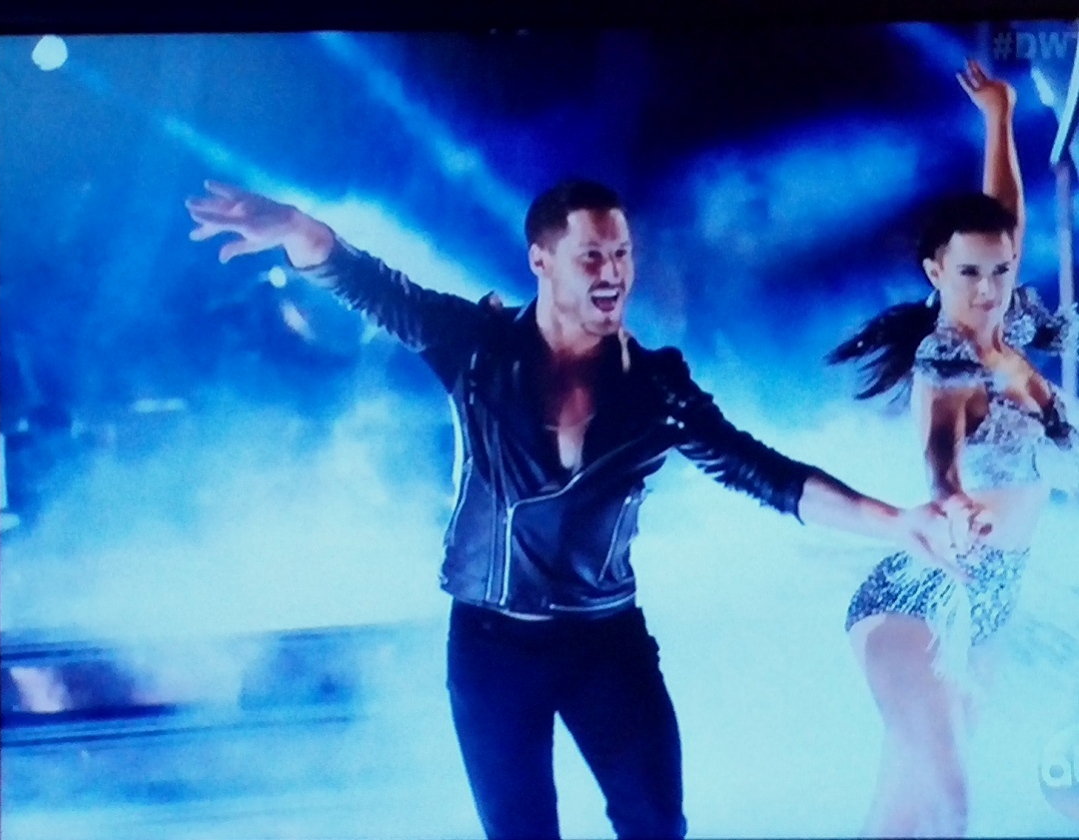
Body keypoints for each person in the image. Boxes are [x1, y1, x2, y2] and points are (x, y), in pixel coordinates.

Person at [186, 177, 978, 839]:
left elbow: (763, 473)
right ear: (541, 261)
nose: (613, 272)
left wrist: (896, 522)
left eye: (622, 254)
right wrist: (297, 229)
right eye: (591, 256)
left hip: (605, 642)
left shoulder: (656, 386)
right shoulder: (476, 346)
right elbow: (370, 285)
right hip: (491, 646)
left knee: (655, 825)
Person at [829, 60, 1079, 838]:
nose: (987, 288)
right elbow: (939, 441)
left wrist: (998, 117)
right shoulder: (947, 357)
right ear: (934, 272)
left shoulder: (1011, 321)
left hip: (988, 603)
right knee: (947, 805)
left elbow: (1002, 220)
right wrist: (948, 494)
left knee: (905, 811)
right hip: (917, 600)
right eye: (967, 273)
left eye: (999, 271)